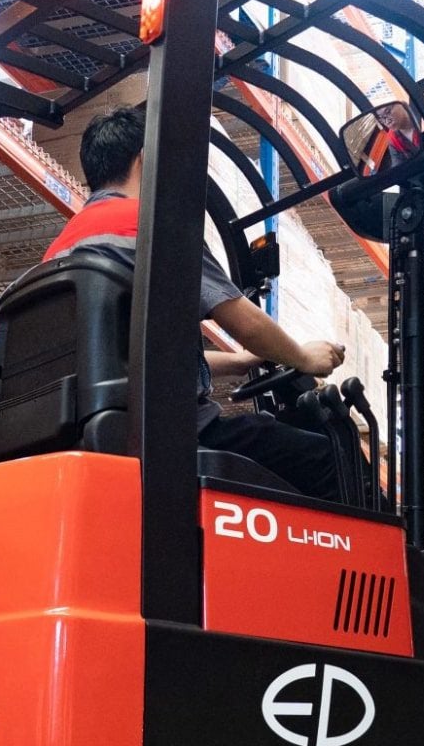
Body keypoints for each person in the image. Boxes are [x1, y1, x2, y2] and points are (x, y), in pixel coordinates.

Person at [45, 105, 345, 500]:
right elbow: (240, 318)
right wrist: (304, 359)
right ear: (145, 159)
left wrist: (241, 362)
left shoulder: (60, 250)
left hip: (98, 429)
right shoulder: (147, 225)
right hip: (169, 433)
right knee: (330, 458)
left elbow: (123, 355)